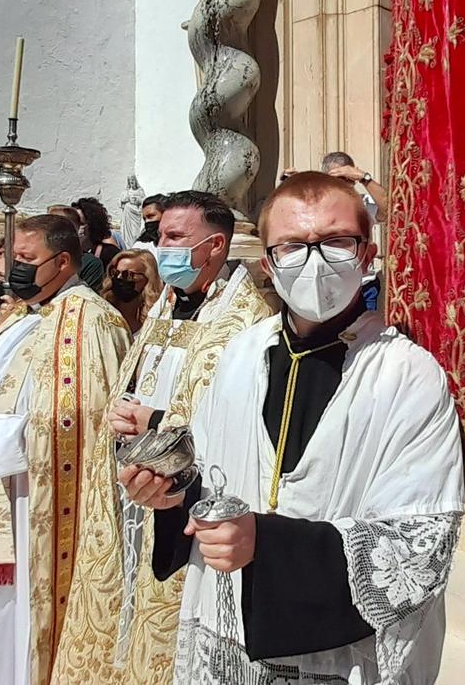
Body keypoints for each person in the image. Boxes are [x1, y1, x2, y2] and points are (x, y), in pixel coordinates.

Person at [119, 172, 461, 683]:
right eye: (293, 247)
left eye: (336, 241)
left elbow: (419, 540)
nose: (314, 261)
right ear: (268, 265)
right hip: (227, 632)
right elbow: (210, 473)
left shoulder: (407, 374)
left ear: (367, 256)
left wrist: (267, 544)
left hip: (341, 654)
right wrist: (171, 494)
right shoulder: (240, 354)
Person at [54, 190, 278, 683]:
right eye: (160, 236)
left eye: (174, 237)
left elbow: (237, 419)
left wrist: (156, 424)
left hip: (183, 500)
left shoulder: (247, 322)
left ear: (215, 245)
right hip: (129, 489)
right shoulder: (165, 305)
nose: (161, 247)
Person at [0, 215, 131, 685]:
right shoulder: (13, 314)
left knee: (17, 611)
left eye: (27, 260)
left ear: (63, 261)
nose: (14, 269)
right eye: (12, 258)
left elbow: (90, 429)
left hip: (35, 502)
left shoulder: (92, 320)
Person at [102, 247, 162, 334]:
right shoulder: (103, 312)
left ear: (148, 278)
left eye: (128, 274)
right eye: (115, 272)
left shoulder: (157, 315)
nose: (119, 278)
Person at [74, 196, 123, 266]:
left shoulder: (109, 253)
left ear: (92, 225)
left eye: (80, 223)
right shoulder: (67, 253)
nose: (74, 226)